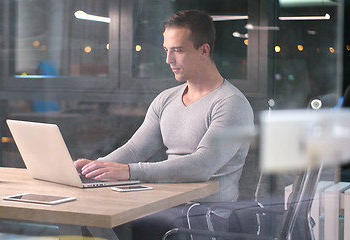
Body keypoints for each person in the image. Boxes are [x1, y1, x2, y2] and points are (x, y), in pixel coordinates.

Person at [74, 9, 254, 239]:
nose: (169, 60)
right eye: (167, 50)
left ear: (204, 50)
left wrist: (129, 171)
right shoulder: (166, 99)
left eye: (178, 50)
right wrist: (93, 167)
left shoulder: (231, 104)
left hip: (204, 218)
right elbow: (135, 148)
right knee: (90, 217)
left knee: (111, 224)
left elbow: (201, 166)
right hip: (166, 204)